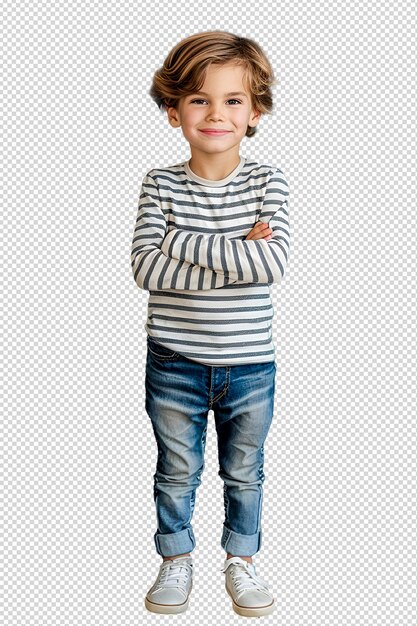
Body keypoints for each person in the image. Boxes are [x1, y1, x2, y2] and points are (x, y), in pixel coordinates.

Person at [131, 30, 291, 617]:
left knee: (244, 471)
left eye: (232, 100)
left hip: (251, 365)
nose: (215, 113)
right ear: (174, 111)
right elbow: (147, 268)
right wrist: (233, 252)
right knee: (177, 469)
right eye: (199, 99)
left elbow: (272, 264)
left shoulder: (267, 182)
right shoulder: (161, 184)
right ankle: (176, 559)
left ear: (255, 110)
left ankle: (242, 561)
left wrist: (181, 242)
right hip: (174, 361)